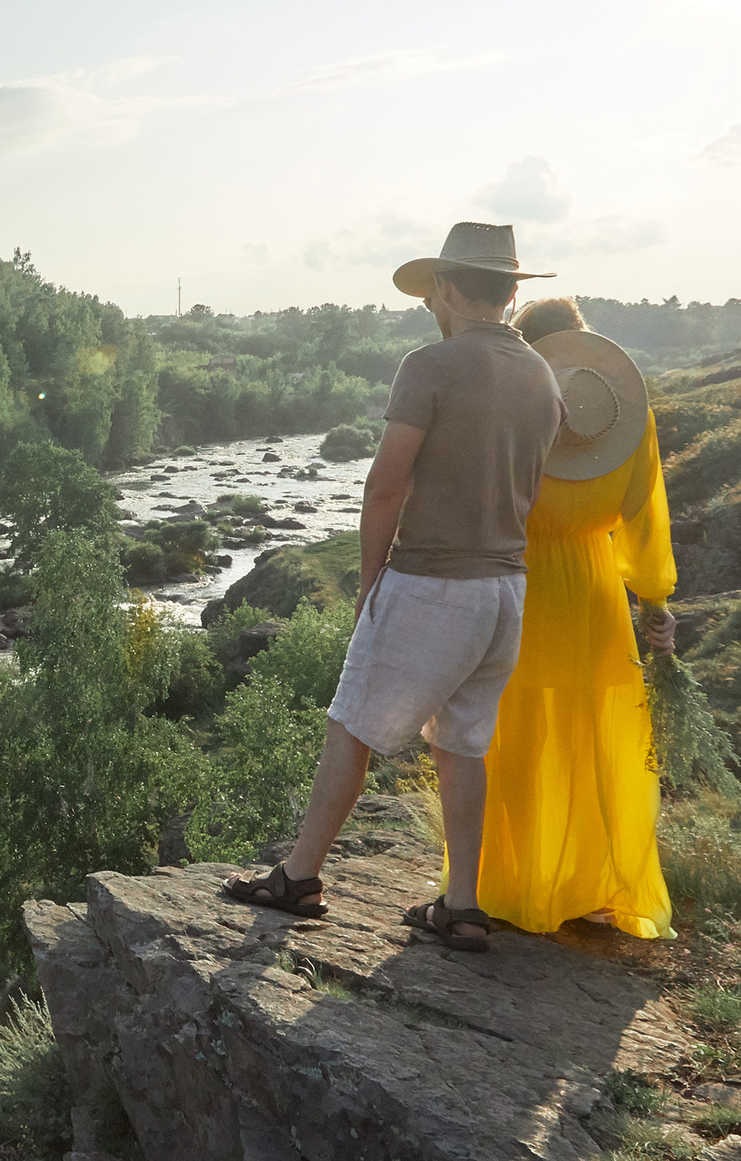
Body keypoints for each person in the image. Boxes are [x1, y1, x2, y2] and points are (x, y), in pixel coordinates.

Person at [224, 222, 563, 953]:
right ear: (510, 290)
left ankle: (300, 876)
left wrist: (372, 578)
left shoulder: (430, 365)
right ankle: (463, 904)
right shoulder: (541, 374)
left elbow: (385, 485)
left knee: (351, 722)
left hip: (431, 581)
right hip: (505, 589)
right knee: (463, 743)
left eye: (431, 290)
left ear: (445, 286)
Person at [474, 298, 678, 937]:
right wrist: (655, 604)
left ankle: (518, 882)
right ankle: (591, 885)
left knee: (520, 737)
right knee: (591, 734)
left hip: (517, 587)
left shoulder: (506, 413)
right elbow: (645, 520)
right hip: (596, 595)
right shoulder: (626, 419)